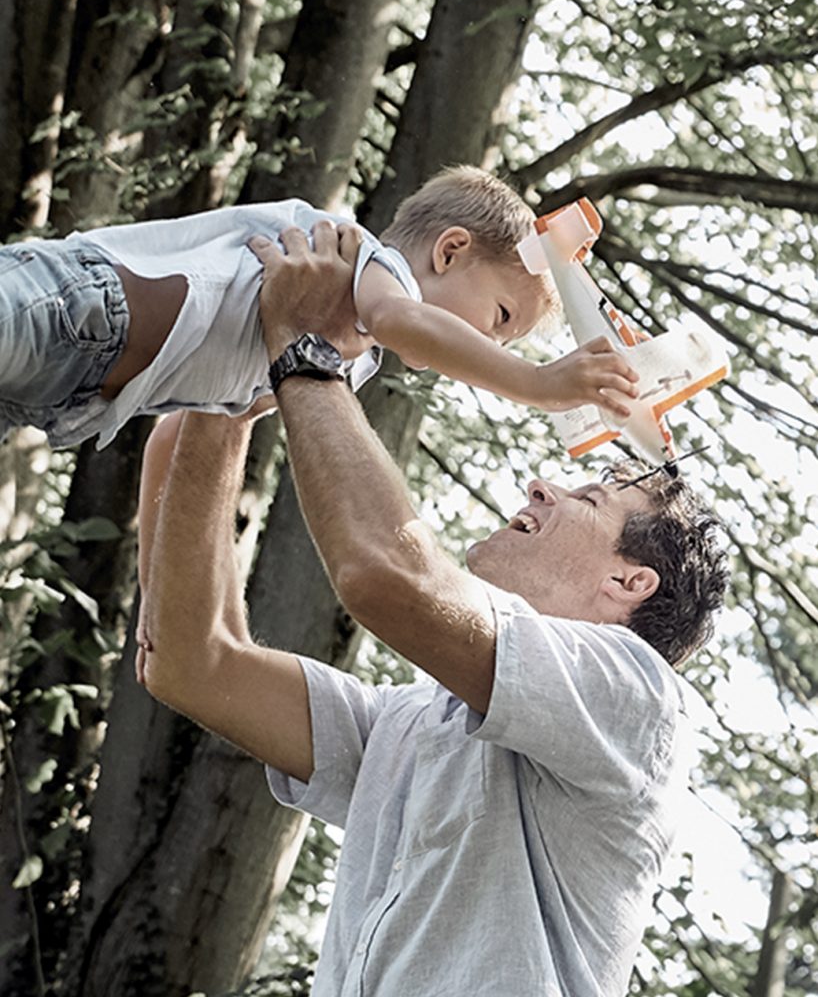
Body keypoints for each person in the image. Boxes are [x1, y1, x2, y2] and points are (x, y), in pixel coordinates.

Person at [137, 223, 728, 997]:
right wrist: (228, 395)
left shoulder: (639, 705)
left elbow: (386, 573)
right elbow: (192, 661)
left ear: (631, 583)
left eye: (590, 497)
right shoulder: (412, 726)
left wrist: (302, 350)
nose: (541, 487)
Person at [0, 166, 639, 452]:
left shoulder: (342, 357)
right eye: (501, 319)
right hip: (77, 309)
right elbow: (405, 323)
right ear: (450, 251)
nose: (492, 348)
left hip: (69, 391)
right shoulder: (368, 265)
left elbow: (224, 411)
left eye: (508, 346)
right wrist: (536, 383)